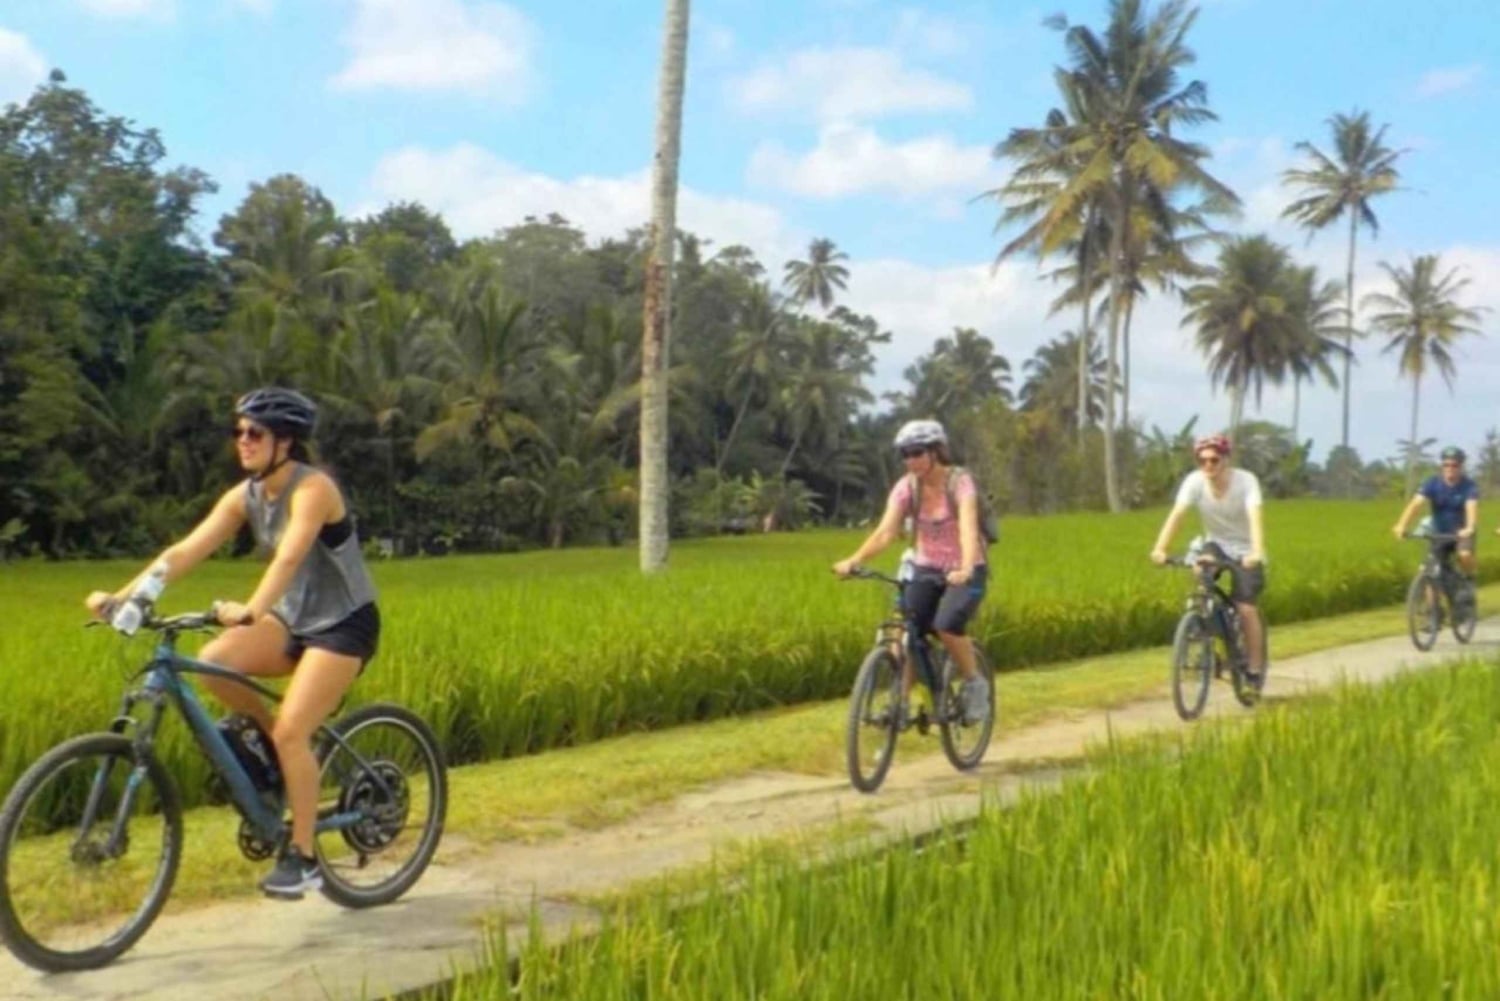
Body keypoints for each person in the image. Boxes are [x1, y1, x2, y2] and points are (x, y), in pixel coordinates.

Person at [86, 387, 380, 900]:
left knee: (292, 729)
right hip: (292, 618)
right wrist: (122, 596)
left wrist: (251, 610)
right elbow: (184, 552)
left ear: (285, 441)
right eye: (238, 431)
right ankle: (278, 753)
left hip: (343, 623)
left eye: (254, 433)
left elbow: (289, 557)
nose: (242, 441)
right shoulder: (245, 495)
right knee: (211, 662)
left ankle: (305, 857)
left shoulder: (314, 490)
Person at [832, 419, 991, 725]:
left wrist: (967, 567)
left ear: (936, 451)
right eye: (905, 454)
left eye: (917, 452)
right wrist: (854, 560)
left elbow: (968, 530)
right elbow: (885, 533)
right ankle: (899, 703)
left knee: (946, 625)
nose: (911, 460)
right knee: (906, 631)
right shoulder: (906, 488)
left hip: (967, 570)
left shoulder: (960, 482)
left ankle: (974, 683)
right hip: (926, 567)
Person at [1149, 433, 1268, 679]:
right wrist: (1160, 548)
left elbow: (1255, 517)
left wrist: (1256, 552)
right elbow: (1177, 515)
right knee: (1200, 572)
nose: (1208, 466)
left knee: (1245, 608)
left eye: (1214, 460)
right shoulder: (1195, 482)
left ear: (1226, 459)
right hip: (1216, 544)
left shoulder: (1246, 482)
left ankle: (1255, 665)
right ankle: (1205, 627)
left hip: (1246, 549)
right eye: (1202, 461)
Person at [1392, 446, 1479, 580]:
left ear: (1461, 466)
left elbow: (1471, 508)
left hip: (1461, 533)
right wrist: (1402, 525)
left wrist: (1469, 528)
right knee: (1428, 570)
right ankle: (1432, 601)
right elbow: (1416, 504)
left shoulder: (1469, 486)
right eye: (1446, 465)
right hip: (1439, 533)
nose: (1449, 468)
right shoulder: (1432, 483)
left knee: (1464, 555)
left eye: (1454, 465)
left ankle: (1469, 579)